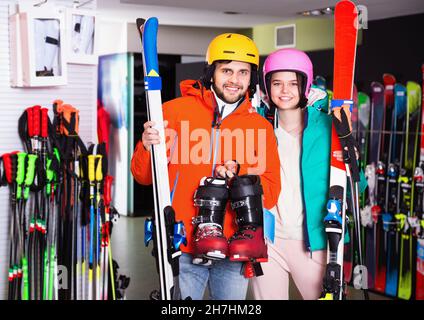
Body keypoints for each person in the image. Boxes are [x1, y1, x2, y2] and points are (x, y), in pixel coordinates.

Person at [131, 33, 281, 300]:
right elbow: (143, 176)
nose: (235, 80)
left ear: (252, 78)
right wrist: (146, 145)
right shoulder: (174, 112)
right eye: (227, 70)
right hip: (183, 243)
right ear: (211, 72)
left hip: (235, 246)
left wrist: (240, 175)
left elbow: (271, 191)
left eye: (243, 72)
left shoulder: (261, 127)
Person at [251, 48, 366, 300]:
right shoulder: (257, 126)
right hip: (267, 242)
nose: (284, 91)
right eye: (277, 83)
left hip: (314, 245)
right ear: (266, 86)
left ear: (306, 85)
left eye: (293, 83)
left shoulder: (328, 126)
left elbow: (358, 187)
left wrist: (352, 160)